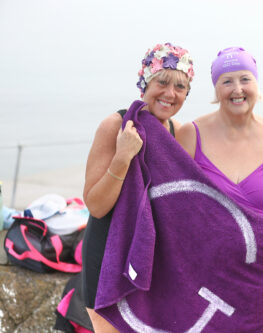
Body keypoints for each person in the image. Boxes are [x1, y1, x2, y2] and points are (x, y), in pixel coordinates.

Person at [81, 42, 194, 332]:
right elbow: (95, 205)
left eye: (180, 87)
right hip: (107, 254)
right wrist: (123, 156)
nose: (170, 93)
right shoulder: (115, 125)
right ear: (145, 83)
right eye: (162, 82)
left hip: (150, 259)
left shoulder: (178, 133)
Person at [177, 46, 263, 247]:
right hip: (204, 268)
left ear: (256, 84)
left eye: (245, 79)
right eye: (227, 81)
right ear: (216, 89)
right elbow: (177, 207)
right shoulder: (190, 135)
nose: (238, 89)